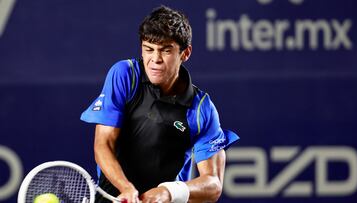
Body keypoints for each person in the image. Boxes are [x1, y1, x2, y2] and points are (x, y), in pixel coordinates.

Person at [80, 5, 239, 203]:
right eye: (149, 50)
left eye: (165, 50)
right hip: (114, 196)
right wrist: (127, 188)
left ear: (185, 53)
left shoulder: (201, 109)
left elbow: (213, 184)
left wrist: (169, 192)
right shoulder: (125, 75)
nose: (155, 59)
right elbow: (103, 144)